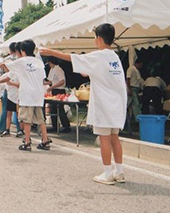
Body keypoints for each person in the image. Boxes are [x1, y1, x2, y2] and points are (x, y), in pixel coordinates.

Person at [40, 23, 127, 185]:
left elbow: (72, 57)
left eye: (95, 37)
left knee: (104, 138)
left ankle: (107, 173)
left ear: (99, 39)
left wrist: (50, 52)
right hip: (117, 105)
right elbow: (101, 73)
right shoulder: (114, 57)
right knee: (115, 137)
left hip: (105, 105)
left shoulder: (99, 55)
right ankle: (119, 172)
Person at [0, 39, 52, 151]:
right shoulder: (39, 62)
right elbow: (43, 78)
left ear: (22, 51)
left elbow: (5, 65)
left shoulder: (21, 61)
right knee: (40, 119)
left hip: (27, 94)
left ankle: (27, 142)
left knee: (26, 120)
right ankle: (45, 140)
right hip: (38, 94)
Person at [45, 57, 71, 133]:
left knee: (60, 109)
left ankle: (66, 126)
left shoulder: (59, 69)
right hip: (54, 89)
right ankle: (55, 126)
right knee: (53, 108)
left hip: (59, 90)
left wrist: (52, 86)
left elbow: (62, 81)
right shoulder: (52, 70)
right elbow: (50, 81)